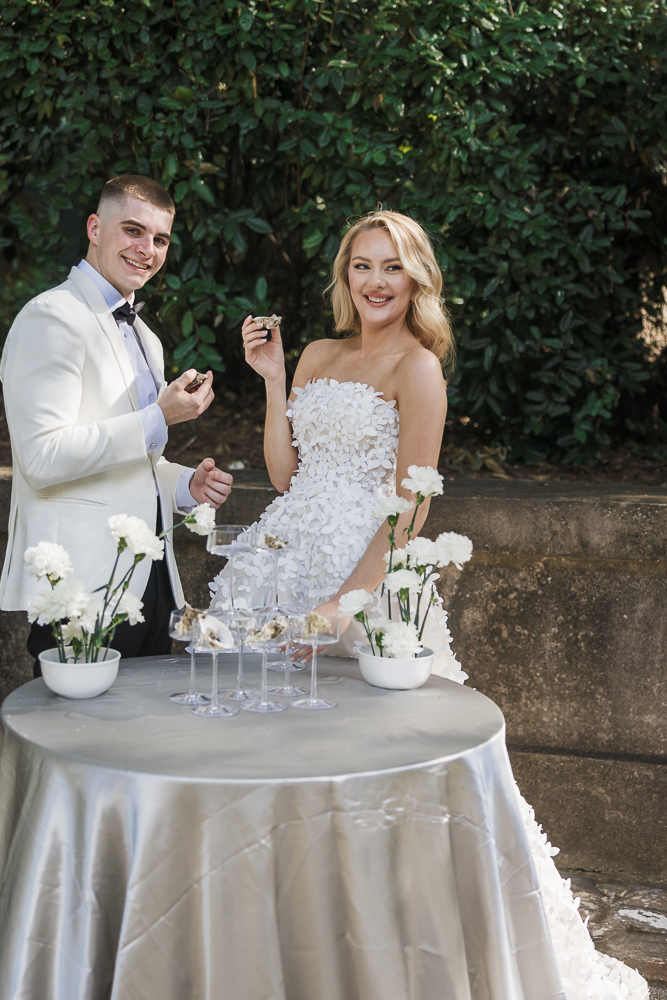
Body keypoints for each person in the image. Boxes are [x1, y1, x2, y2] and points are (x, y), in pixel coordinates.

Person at [209, 210, 647, 999]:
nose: (375, 282)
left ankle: (387, 957)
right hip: (279, 565)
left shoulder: (418, 367)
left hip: (361, 583)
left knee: (370, 776)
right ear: (344, 275)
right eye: (361, 266)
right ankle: (282, 947)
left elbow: (410, 509)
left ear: (416, 278)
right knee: (269, 760)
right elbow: (285, 478)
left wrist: (346, 605)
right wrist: (273, 381)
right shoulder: (314, 352)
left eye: (392, 267)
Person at [1, 174, 232, 671]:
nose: (147, 249)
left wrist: (184, 483)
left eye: (161, 239)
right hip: (82, 587)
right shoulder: (51, 317)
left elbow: (136, 459)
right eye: (133, 230)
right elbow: (42, 458)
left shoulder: (146, 337)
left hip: (149, 580)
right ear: (94, 227)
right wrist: (158, 416)